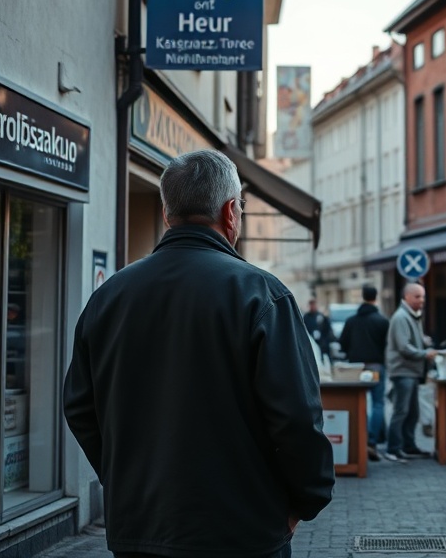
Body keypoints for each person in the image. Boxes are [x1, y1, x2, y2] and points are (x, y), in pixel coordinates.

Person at [63, 150, 334, 558]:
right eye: (241, 207)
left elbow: (80, 407)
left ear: (166, 213)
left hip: (140, 528)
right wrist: (303, 503)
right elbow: (297, 417)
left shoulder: (110, 297)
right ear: (230, 213)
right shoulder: (262, 295)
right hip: (242, 533)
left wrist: (127, 479)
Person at [384, 282, 436, 461]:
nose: (422, 300)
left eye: (423, 296)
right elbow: (404, 347)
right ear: (407, 297)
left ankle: (409, 446)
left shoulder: (411, 315)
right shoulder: (401, 317)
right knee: (401, 411)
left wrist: (423, 341)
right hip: (403, 372)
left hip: (411, 372)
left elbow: (409, 341)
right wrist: (425, 353)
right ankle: (393, 449)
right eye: (417, 296)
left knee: (412, 412)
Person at [339, 284, 390, 461]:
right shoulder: (382, 321)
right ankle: (372, 441)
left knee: (359, 402)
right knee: (378, 403)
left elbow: (343, 343)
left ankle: (358, 439)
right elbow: (387, 346)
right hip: (375, 366)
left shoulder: (351, 321)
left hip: (355, 368)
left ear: (362, 296)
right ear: (375, 298)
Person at [303, 298, 334, 362]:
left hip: (322, 341)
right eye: (311, 305)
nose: (313, 307)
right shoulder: (306, 317)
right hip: (311, 341)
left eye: (314, 305)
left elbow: (327, 329)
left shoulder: (321, 316)